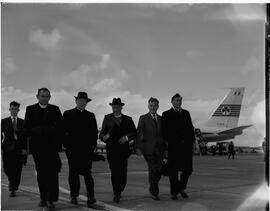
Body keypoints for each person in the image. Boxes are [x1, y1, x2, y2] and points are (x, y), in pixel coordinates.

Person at [23, 88, 62, 209]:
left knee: (53, 173)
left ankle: (51, 199)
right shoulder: (30, 109)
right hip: (38, 148)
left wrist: (53, 134)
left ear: (50, 97)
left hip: (52, 148)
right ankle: (43, 197)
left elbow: (61, 127)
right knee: (41, 174)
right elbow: (25, 129)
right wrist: (36, 130)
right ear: (37, 96)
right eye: (43, 96)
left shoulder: (55, 109)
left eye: (47, 96)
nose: (45, 98)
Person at [63, 92, 98, 207]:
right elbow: (63, 131)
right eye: (80, 100)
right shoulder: (67, 114)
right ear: (76, 101)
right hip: (72, 150)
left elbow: (94, 133)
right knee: (73, 174)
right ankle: (74, 196)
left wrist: (92, 147)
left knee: (87, 174)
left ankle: (91, 196)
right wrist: (66, 145)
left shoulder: (91, 115)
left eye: (84, 101)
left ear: (86, 103)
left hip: (87, 150)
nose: (82, 102)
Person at [99, 98, 136, 203]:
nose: (115, 109)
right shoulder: (107, 118)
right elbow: (102, 133)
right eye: (114, 107)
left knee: (123, 173)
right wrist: (103, 137)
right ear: (112, 107)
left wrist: (127, 138)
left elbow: (134, 133)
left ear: (121, 107)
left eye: (118, 107)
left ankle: (120, 189)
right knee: (114, 172)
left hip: (123, 151)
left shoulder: (128, 119)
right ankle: (116, 193)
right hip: (111, 150)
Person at [162, 93, 194, 200]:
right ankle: (174, 192)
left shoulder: (186, 113)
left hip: (186, 147)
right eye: (176, 100)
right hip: (173, 147)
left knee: (188, 169)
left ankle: (181, 187)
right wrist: (166, 147)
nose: (178, 102)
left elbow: (190, 128)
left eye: (180, 100)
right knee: (173, 171)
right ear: (172, 101)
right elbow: (164, 131)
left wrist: (193, 142)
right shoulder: (166, 114)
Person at [136, 97, 165, 201]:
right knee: (153, 169)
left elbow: (164, 135)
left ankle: (152, 185)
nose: (152, 107)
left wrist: (166, 149)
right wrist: (138, 147)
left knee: (160, 170)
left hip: (160, 149)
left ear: (157, 106)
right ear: (148, 106)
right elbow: (139, 133)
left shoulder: (162, 119)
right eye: (151, 105)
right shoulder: (143, 118)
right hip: (148, 149)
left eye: (154, 106)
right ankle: (154, 192)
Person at [1, 101, 27, 197]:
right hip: (7, 149)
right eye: (12, 109)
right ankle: (11, 180)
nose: (14, 111)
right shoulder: (4, 121)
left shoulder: (22, 122)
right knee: (6, 168)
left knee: (17, 169)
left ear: (18, 110)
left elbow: (25, 137)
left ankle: (13, 188)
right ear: (9, 109)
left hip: (19, 149)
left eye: (16, 109)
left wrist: (25, 149)